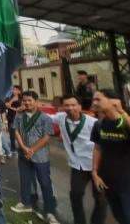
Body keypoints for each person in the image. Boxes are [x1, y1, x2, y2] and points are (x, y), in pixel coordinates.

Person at [91, 89, 130, 224]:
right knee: (121, 218)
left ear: (112, 101)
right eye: (93, 99)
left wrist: (122, 112)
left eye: (98, 99)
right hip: (109, 183)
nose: (94, 102)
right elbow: (97, 148)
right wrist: (95, 172)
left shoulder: (128, 122)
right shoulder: (99, 124)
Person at [48, 94, 106, 224]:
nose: (70, 108)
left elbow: (102, 145)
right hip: (77, 165)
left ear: (80, 106)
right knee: (75, 195)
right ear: (63, 107)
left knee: (101, 199)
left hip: (96, 165)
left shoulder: (93, 123)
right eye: (66, 105)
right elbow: (46, 118)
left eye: (73, 105)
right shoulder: (61, 118)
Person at [11, 91, 59, 224]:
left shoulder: (45, 118)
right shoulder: (19, 116)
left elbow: (47, 136)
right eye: (24, 101)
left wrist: (32, 149)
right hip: (23, 154)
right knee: (25, 180)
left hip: (40, 156)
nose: (27, 103)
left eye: (30, 100)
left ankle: (50, 211)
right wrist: (24, 147)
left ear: (36, 101)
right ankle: (26, 203)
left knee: (44, 183)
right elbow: (16, 131)